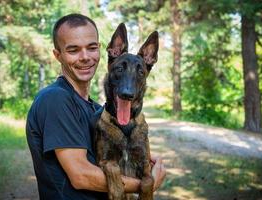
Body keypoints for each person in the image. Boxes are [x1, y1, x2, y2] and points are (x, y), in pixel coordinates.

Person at [26, 13, 166, 200]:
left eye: (91, 47)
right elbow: (81, 176)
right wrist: (146, 185)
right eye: (73, 50)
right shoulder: (55, 99)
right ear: (58, 55)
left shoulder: (96, 109)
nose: (85, 57)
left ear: (101, 50)